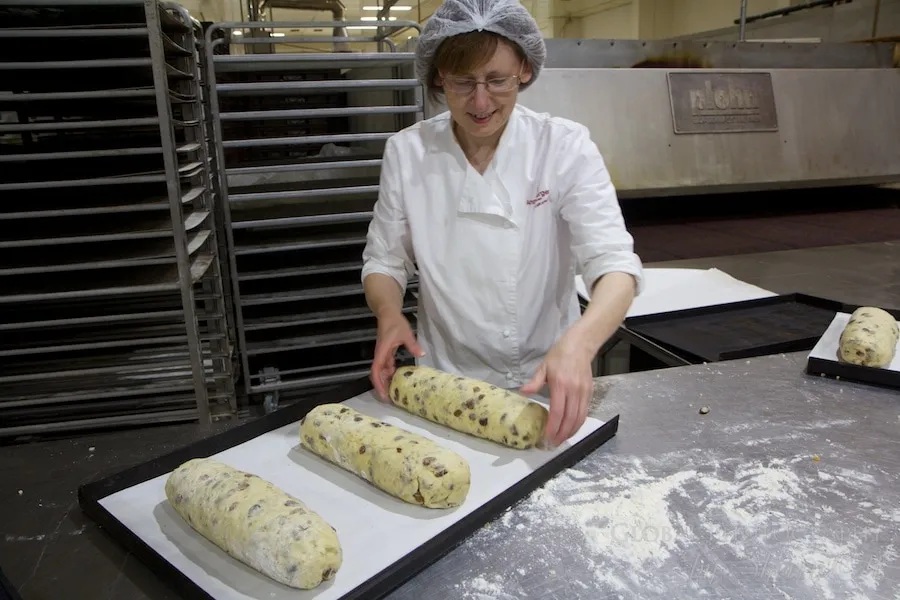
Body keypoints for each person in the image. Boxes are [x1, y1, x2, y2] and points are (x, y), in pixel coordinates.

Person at [360, 0, 644, 447]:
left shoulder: (562, 146)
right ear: (439, 77)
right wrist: (389, 313)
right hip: (446, 383)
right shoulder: (408, 152)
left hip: (548, 380)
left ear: (524, 71)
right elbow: (385, 261)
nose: (480, 102)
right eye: (462, 82)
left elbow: (614, 265)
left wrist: (581, 344)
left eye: (497, 81)